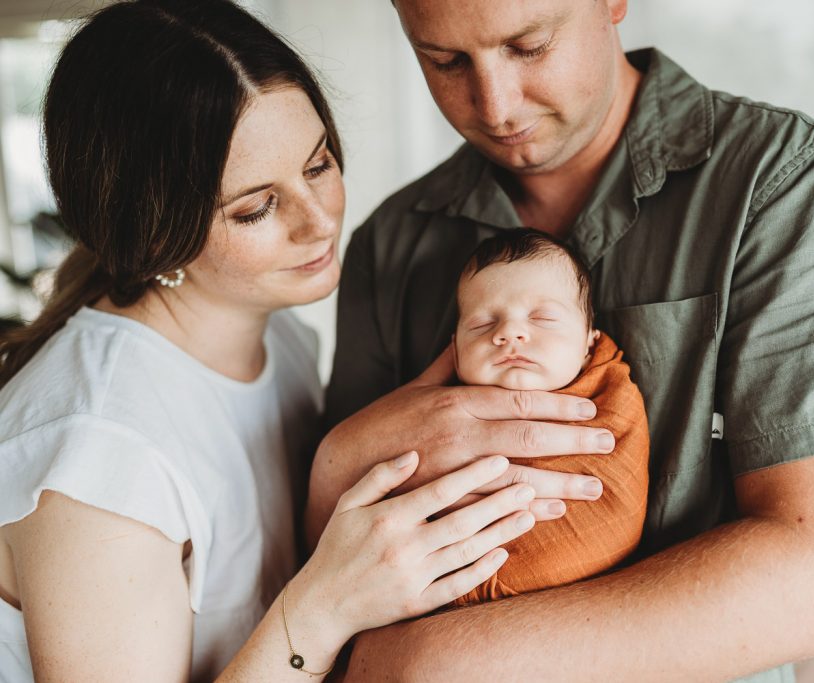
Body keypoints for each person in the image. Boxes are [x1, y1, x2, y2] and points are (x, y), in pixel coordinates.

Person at [309, 0, 814, 681]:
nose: (496, 106)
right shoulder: (392, 243)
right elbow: (332, 547)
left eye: (529, 46)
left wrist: (434, 660)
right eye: (445, 61)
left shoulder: (775, 180)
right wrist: (337, 461)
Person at [0, 1, 548, 680]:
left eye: (318, 166)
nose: (319, 221)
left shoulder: (280, 334)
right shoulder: (100, 458)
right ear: (151, 228)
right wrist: (324, 607)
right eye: (256, 207)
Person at [450, 229, 648, 606]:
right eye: (482, 324)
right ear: (455, 354)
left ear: (589, 342)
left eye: (542, 318)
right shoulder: (433, 417)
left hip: (589, 605)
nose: (510, 332)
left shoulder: (610, 399)